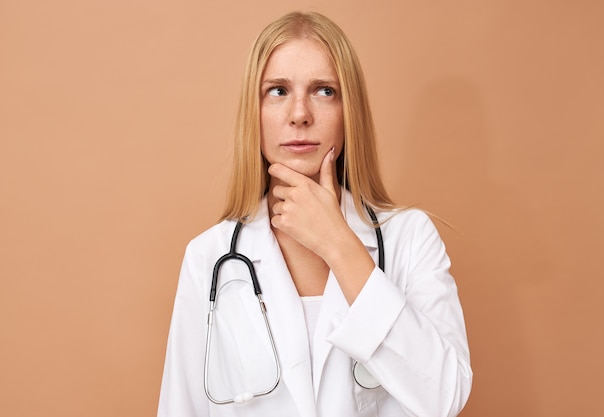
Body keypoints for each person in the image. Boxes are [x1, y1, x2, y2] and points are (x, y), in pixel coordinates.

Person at [157, 11, 472, 417]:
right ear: (253, 113)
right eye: (277, 91)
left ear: (349, 112)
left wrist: (340, 246)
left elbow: (444, 398)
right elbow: (180, 409)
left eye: (324, 91)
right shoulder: (209, 257)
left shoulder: (410, 237)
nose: (300, 113)